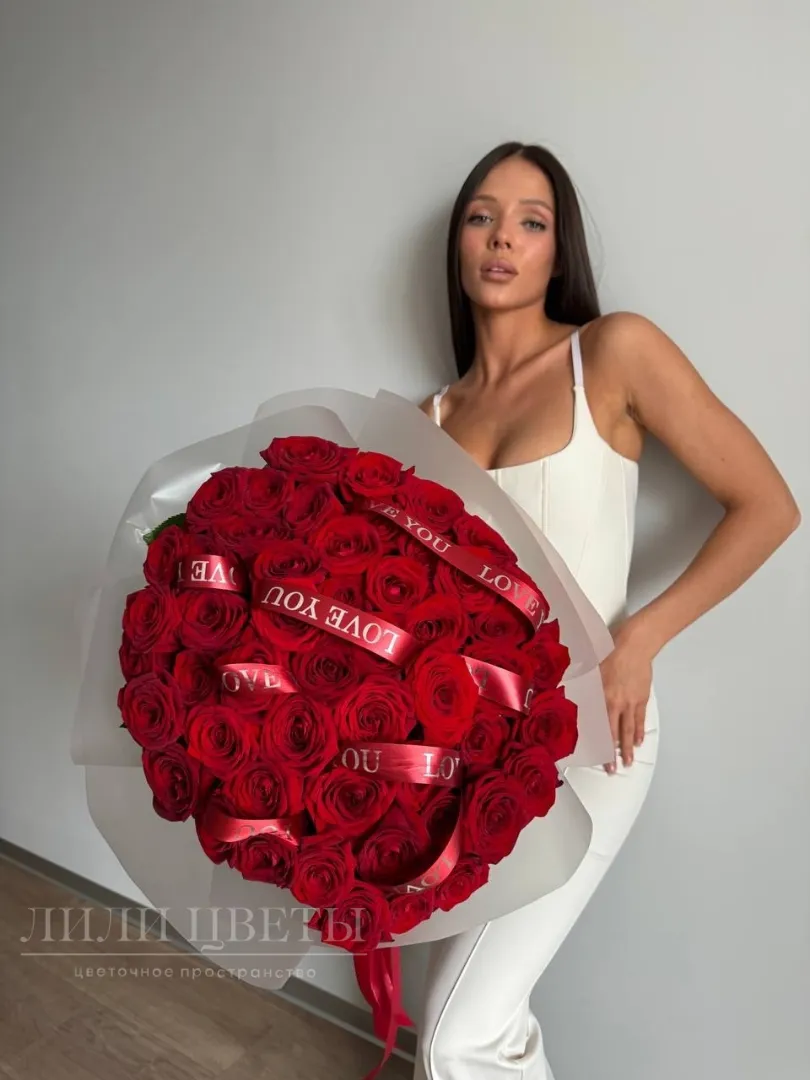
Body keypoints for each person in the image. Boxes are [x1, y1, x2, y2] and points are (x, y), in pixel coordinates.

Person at [414, 141, 801, 1080]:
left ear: (558, 252)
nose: (502, 237)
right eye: (481, 217)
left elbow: (769, 506)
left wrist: (641, 638)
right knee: (480, 1017)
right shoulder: (430, 418)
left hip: (595, 730)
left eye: (531, 221)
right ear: (458, 242)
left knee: (458, 1034)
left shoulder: (613, 352)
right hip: (472, 743)